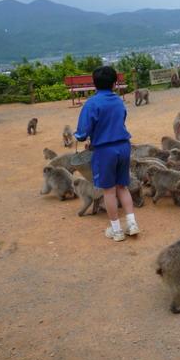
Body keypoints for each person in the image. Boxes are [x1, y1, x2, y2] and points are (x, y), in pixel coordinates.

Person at [74, 66, 140, 242]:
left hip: (104, 151)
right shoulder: (118, 101)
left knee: (109, 191)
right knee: (122, 187)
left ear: (94, 84)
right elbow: (120, 121)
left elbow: (81, 133)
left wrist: (81, 136)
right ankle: (132, 224)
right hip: (123, 146)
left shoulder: (92, 103)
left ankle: (117, 230)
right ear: (114, 83)